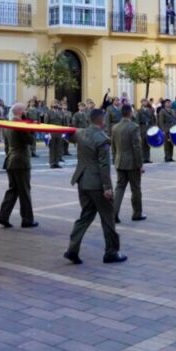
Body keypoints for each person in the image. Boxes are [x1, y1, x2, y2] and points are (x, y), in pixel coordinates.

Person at [63, 109, 126, 265]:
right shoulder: (102, 139)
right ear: (101, 120)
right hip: (96, 184)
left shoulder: (80, 133)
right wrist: (107, 187)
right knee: (108, 218)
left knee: (85, 216)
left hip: (82, 181)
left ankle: (72, 249)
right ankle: (111, 252)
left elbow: (68, 136)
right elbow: (104, 166)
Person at [0, 102, 37, 229]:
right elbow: (30, 141)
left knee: (13, 190)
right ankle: (27, 220)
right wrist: (32, 129)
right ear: (20, 112)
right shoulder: (20, 125)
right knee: (24, 192)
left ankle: (3, 216)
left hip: (10, 160)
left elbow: (6, 146)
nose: (26, 112)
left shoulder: (8, 125)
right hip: (21, 162)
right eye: (25, 110)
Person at [111, 104, 145, 223]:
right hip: (132, 163)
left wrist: (115, 160)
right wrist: (140, 164)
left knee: (119, 188)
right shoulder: (134, 127)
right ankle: (137, 213)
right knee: (135, 188)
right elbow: (137, 147)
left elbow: (113, 146)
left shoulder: (115, 127)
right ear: (130, 113)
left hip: (119, 161)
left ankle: (113, 213)